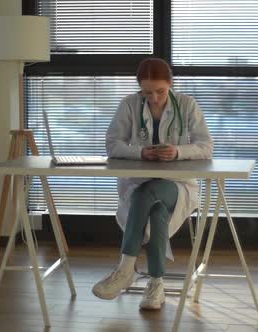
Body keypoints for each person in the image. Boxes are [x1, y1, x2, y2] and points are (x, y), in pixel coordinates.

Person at [92, 57, 214, 310]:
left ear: (170, 84)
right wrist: (140, 153)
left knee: (147, 195)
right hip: (139, 182)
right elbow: (112, 144)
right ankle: (156, 286)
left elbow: (206, 146)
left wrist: (178, 152)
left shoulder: (187, 105)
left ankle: (125, 269)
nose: (154, 98)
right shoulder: (129, 105)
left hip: (177, 185)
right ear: (139, 89)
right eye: (147, 92)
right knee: (153, 207)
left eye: (160, 91)